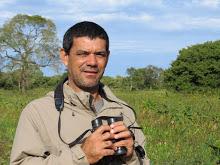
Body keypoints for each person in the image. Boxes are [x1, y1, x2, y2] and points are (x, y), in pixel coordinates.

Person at [10, 21, 150, 165]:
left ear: (107, 57)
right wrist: (82, 156)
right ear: (65, 56)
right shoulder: (38, 112)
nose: (92, 62)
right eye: (83, 54)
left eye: (100, 54)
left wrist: (131, 157)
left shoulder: (125, 112)